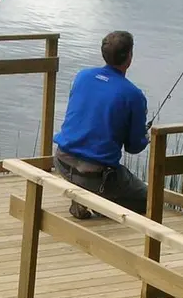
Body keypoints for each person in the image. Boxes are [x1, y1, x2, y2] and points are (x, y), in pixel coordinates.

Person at [52, 30, 149, 219]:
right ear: (129, 57)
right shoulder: (133, 95)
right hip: (96, 176)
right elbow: (134, 147)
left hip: (62, 163)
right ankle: (98, 199)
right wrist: (145, 136)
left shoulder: (82, 76)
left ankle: (87, 199)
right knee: (148, 199)